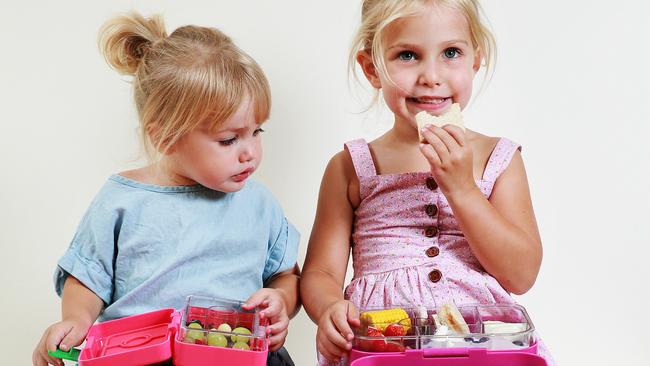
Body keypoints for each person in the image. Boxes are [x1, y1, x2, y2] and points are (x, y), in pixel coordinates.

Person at [32, 12, 299, 366]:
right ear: (166, 137)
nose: (250, 151)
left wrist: (281, 300)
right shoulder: (122, 201)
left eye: (256, 132)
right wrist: (76, 319)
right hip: (145, 357)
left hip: (237, 354)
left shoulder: (258, 202)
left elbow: (285, 274)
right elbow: (86, 278)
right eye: (229, 139)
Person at [301, 0, 555, 365]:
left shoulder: (499, 159)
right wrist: (329, 308)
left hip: (480, 346)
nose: (431, 76)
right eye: (407, 55)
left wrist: (463, 190)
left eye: (451, 52)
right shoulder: (351, 167)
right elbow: (322, 272)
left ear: (475, 60)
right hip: (383, 344)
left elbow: (521, 275)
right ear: (372, 69)